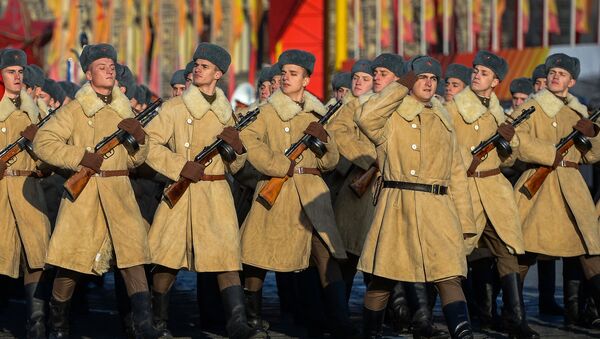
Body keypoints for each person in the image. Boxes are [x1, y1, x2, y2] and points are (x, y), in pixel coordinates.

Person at [33, 43, 158, 338]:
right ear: (88, 74)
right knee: (71, 263)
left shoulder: (124, 110)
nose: (109, 70)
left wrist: (141, 140)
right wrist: (80, 157)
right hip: (85, 193)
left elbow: (134, 159)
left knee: (133, 259)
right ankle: (58, 326)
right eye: (102, 67)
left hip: (119, 190)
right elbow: (43, 143)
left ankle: (143, 325)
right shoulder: (75, 110)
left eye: (112, 66)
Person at [239, 49, 357, 338]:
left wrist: (324, 143)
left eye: (293, 74)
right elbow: (248, 139)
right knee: (257, 256)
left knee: (326, 254)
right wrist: (279, 164)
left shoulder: (318, 114)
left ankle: (340, 322)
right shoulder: (266, 111)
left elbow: (330, 162)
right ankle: (252, 316)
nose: (286, 78)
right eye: (284, 73)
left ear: (306, 79)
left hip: (313, 192)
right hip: (277, 191)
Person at [357, 55, 476, 339]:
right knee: (383, 278)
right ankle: (370, 333)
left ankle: (464, 334)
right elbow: (365, 118)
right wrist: (400, 86)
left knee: (449, 275)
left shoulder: (443, 118)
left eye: (434, 78)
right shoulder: (391, 117)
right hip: (398, 204)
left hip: (438, 207)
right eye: (422, 77)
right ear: (410, 81)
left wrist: (465, 221)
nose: (429, 83)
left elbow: (457, 173)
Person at [445, 50, 539, 338]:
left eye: (483, 73)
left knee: (508, 253)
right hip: (466, 190)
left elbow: (506, 161)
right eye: (475, 70)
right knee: (452, 256)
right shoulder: (453, 108)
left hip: (495, 191)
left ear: (495, 81)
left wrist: (507, 145)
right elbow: (445, 147)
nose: (476, 75)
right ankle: (430, 314)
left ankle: (516, 319)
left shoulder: (500, 113)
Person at [514, 53, 600, 329]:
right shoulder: (531, 107)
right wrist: (551, 154)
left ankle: (584, 309)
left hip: (572, 188)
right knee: (523, 252)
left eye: (561, 74)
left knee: (588, 251)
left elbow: (592, 156)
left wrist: (593, 136)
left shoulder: (579, 112)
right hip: (538, 186)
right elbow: (516, 139)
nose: (554, 76)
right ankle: (513, 315)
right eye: (552, 72)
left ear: (571, 81)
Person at [0, 48, 51, 339]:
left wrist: (44, 164)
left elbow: (54, 150)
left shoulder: (38, 111)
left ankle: (37, 323)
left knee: (37, 256)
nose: (17, 77)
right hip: (2, 190)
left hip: (30, 189)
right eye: (10, 72)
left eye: (20, 72)